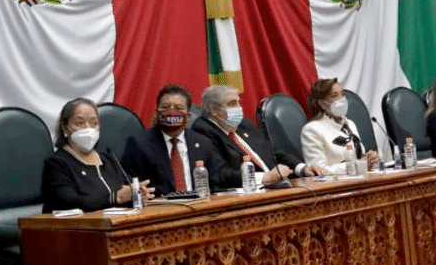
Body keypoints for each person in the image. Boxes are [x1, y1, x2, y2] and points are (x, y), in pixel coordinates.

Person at [191, 85, 321, 189]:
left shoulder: (245, 125)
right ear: (214, 110)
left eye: (239, 103)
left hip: (276, 188)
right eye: (232, 104)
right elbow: (222, 174)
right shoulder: (203, 130)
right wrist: (264, 178)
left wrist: (302, 168)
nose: (239, 108)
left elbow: (274, 154)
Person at [42, 97, 152, 212]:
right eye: (80, 123)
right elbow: (69, 202)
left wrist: (138, 193)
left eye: (94, 123)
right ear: (64, 128)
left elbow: (127, 191)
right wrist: (115, 198)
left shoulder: (109, 159)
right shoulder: (56, 164)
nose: (88, 128)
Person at [121, 84, 222, 196]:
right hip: (161, 209)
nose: (171, 112)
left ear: (188, 116)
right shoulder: (139, 144)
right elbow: (130, 185)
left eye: (178, 108)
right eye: (165, 107)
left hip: (199, 206)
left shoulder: (203, 143)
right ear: (157, 112)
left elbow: (214, 185)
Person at [299, 78, 379, 174]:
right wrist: (357, 165)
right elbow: (318, 170)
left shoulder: (350, 124)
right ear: (321, 104)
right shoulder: (312, 130)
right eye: (334, 96)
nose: (341, 99)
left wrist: (369, 158)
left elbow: (357, 158)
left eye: (342, 94)